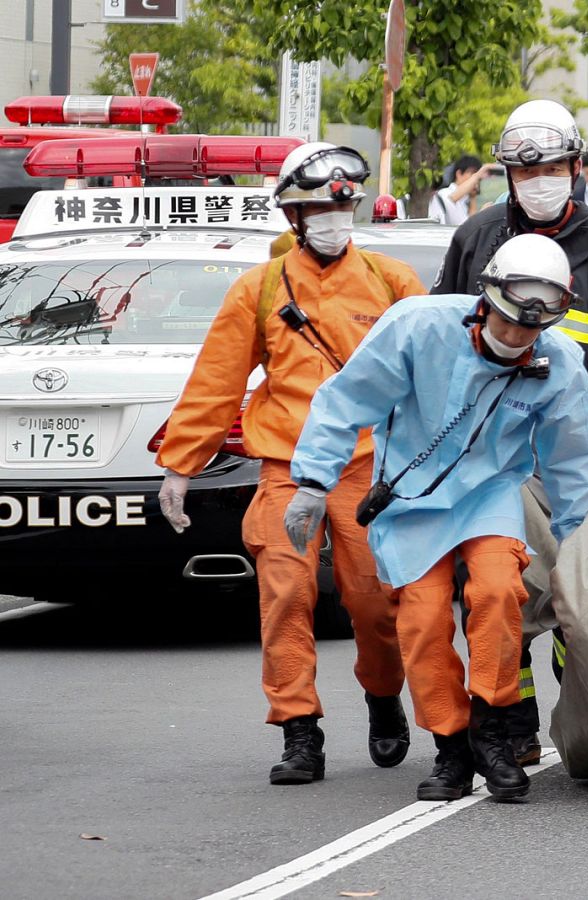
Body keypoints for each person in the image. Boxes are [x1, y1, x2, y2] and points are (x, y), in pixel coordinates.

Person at [288, 234, 588, 802]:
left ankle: (493, 730)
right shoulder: (417, 328)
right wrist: (313, 482)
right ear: (486, 299)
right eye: (508, 323)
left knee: (498, 591)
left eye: (531, 330)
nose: (517, 338)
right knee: (423, 620)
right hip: (410, 498)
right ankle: (451, 747)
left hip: (489, 492)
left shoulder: (557, 362)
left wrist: (577, 541)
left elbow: (574, 456)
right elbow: (345, 400)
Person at [155, 144, 424, 785]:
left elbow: (432, 376)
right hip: (285, 466)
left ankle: (383, 695)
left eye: (342, 209)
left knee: (376, 605)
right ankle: (299, 728)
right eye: (319, 210)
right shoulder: (260, 289)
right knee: (285, 596)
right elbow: (217, 381)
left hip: (367, 469)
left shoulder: (393, 282)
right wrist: (180, 465)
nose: (333, 220)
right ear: (294, 217)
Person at [433, 98, 588, 765]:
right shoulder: (475, 239)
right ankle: (511, 715)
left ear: (575, 167)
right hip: (488, 451)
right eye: (525, 170)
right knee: (494, 588)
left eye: (553, 167)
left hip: (572, 457)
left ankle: (576, 691)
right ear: (506, 174)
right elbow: (442, 343)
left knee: (576, 593)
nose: (539, 180)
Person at [429, 155, 488, 226]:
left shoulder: (465, 201)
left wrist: (473, 197)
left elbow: (470, 226)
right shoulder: (444, 193)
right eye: (472, 174)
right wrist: (485, 169)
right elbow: (451, 199)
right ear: (459, 174)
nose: (476, 180)